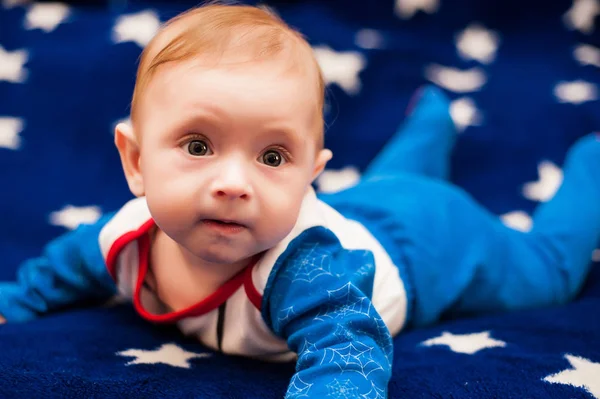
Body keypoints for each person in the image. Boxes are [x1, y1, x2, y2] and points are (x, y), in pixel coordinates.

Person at [1, 3, 599, 398]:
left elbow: (350, 352)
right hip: (374, 206)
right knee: (388, 191)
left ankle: (590, 162)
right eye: (198, 144)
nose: (234, 183)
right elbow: (62, 267)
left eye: (272, 157)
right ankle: (430, 128)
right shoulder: (123, 238)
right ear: (135, 161)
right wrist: (16, 302)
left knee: (547, 272)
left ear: (310, 176)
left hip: (435, 246)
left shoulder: (302, 271)